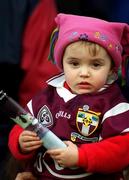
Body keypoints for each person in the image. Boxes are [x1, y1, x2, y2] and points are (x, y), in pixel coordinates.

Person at [8, 13, 129, 180]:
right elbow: (22, 125)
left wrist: (81, 156)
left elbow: (124, 149)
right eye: (74, 63)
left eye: (95, 64)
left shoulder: (113, 104)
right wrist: (21, 142)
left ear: (111, 68)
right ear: (62, 63)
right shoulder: (47, 95)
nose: (84, 73)